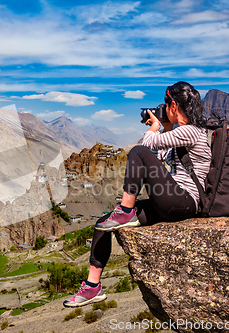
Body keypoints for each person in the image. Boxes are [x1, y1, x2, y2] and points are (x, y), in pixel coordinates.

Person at [63, 81, 211, 308]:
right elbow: (156, 158)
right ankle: (93, 287)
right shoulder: (181, 134)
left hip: (186, 202)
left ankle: (126, 210)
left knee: (138, 151)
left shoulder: (192, 131)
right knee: (104, 222)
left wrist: (154, 127)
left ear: (173, 105)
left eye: (165, 104)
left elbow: (146, 145)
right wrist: (164, 127)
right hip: (173, 200)